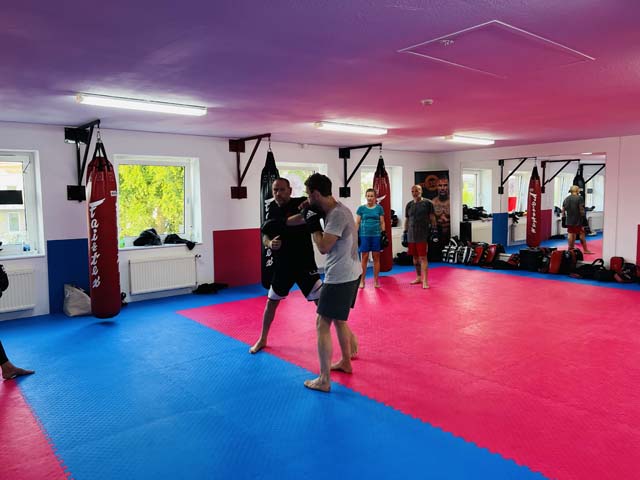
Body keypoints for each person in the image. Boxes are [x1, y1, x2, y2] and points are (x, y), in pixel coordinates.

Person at [300, 173, 360, 393]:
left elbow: (324, 247)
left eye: (309, 194)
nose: (308, 198)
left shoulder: (336, 216)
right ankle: (345, 362)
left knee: (322, 323)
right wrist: (307, 210)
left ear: (316, 193)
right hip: (352, 273)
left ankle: (324, 379)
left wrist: (313, 226)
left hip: (339, 277)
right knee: (340, 321)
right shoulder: (340, 209)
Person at [249, 178, 322, 354]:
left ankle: (346, 338)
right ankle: (263, 338)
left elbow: (307, 216)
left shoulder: (302, 203)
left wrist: (284, 221)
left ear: (290, 190)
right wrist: (269, 243)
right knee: (271, 303)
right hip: (283, 265)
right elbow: (265, 234)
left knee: (323, 304)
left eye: (282, 190)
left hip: (305, 264)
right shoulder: (271, 209)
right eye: (275, 190)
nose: (278, 193)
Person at [404, 185, 437, 289]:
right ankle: (418, 277)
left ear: (421, 191)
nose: (415, 193)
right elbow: (407, 219)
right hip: (411, 234)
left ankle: (425, 281)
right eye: (413, 191)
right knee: (415, 258)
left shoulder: (428, 203)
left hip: (422, 234)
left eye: (417, 191)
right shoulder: (409, 205)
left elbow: (432, 217)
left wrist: (434, 230)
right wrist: (405, 232)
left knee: (423, 257)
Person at [355, 188, 385, 288]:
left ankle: (376, 281)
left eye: (372, 196)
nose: (370, 198)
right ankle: (362, 280)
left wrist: (384, 233)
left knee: (376, 258)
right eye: (368, 196)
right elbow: (357, 222)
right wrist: (355, 234)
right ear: (366, 196)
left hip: (376, 235)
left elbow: (382, 222)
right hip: (364, 235)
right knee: (364, 258)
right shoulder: (361, 208)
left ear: (375, 197)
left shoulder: (379, 208)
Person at [562, 185, 593, 254]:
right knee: (581, 234)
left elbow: (563, 210)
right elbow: (581, 209)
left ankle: (570, 249)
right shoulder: (580, 198)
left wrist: (563, 218)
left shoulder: (566, 198)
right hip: (578, 219)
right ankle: (585, 250)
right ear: (577, 190)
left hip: (569, 220)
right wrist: (584, 218)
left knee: (570, 234)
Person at [431, 175, 451, 240]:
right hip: (437, 234)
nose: (442, 188)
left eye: (445, 185)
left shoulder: (453, 202)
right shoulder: (433, 202)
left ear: (448, 186)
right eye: (440, 185)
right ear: (437, 187)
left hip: (452, 232)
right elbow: (431, 220)